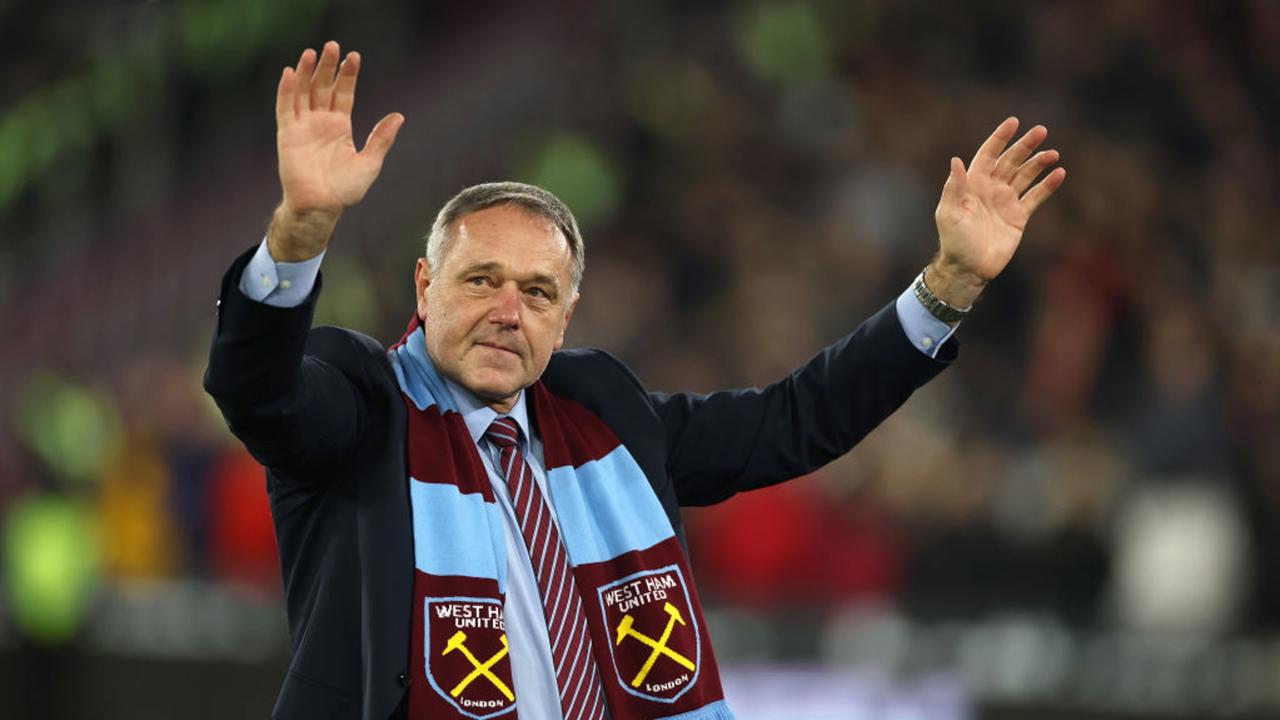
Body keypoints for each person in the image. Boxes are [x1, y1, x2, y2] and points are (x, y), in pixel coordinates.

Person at [202, 41, 1065, 720]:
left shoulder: (601, 411)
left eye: (537, 292)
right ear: (425, 289)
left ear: (566, 316)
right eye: (480, 280)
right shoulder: (361, 409)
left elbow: (795, 421)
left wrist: (947, 287)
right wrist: (300, 231)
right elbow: (258, 392)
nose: (509, 309)